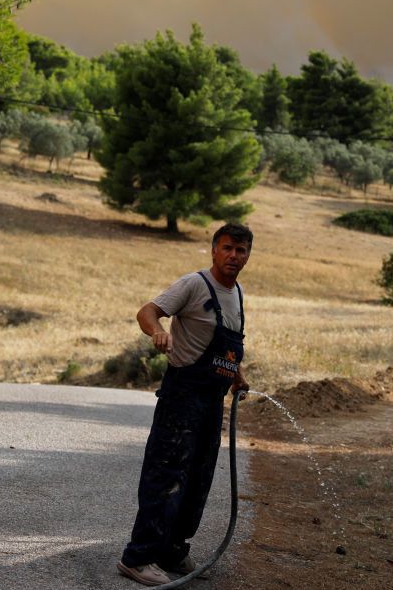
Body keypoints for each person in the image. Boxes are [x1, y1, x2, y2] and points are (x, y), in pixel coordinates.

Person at [117, 223, 253, 586]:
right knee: (166, 475)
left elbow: (224, 345)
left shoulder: (237, 293)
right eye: (227, 248)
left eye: (240, 251)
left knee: (197, 478)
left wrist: (235, 373)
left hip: (212, 401)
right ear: (213, 250)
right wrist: (157, 332)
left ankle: (172, 549)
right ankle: (139, 556)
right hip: (182, 397)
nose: (233, 256)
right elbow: (147, 311)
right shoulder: (194, 285)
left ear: (248, 256)